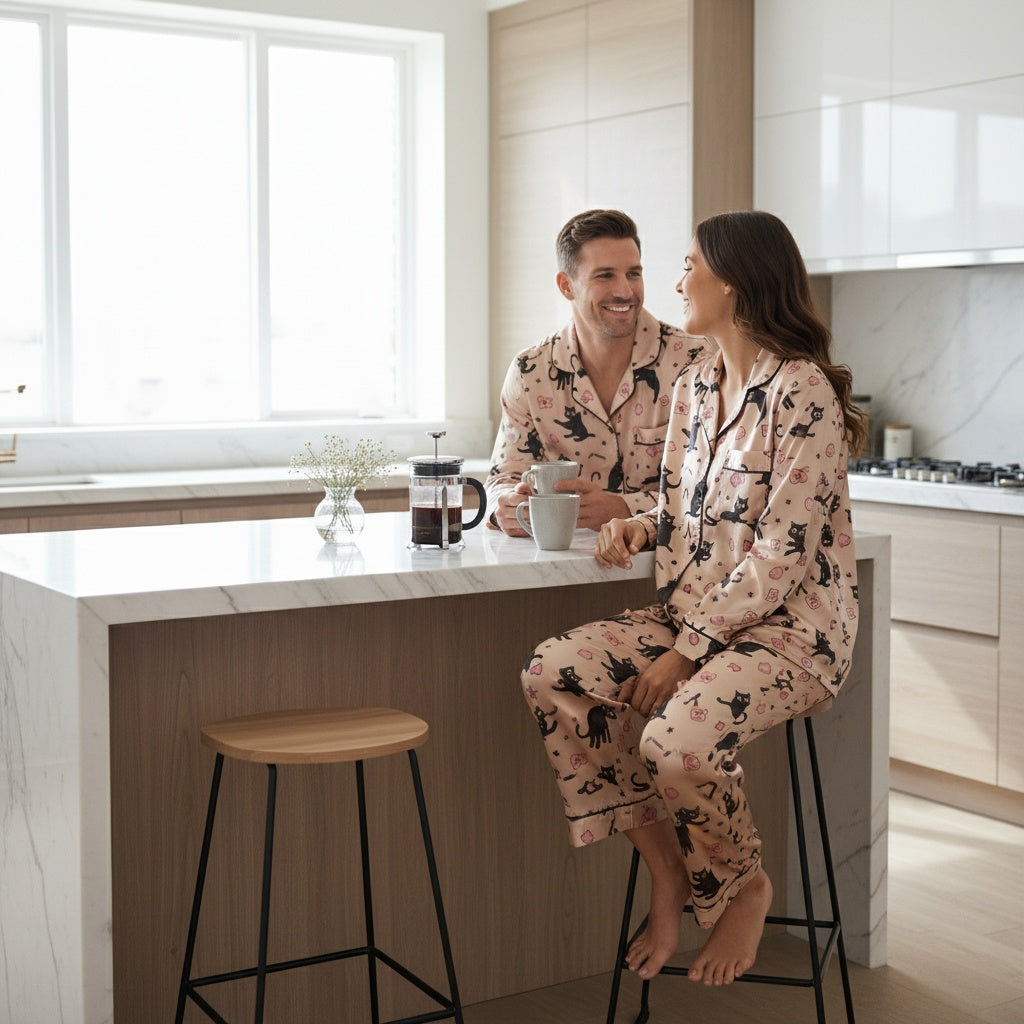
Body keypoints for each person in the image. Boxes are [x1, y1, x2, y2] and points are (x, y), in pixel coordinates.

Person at [520, 210, 867, 987]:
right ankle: (670, 871)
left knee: (673, 745)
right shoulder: (696, 383)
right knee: (555, 673)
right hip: (698, 618)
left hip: (793, 635)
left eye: (688, 266)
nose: (671, 283)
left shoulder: (800, 391)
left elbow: (781, 553)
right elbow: (688, 508)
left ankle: (742, 883)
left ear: (735, 281)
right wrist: (642, 529)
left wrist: (686, 651)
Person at [487, 209, 709, 535]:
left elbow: (714, 489)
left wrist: (622, 508)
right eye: (605, 276)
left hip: (656, 572)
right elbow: (502, 477)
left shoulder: (694, 360)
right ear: (566, 286)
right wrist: (504, 504)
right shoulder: (529, 371)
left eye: (633, 273)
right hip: (558, 569)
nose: (625, 291)